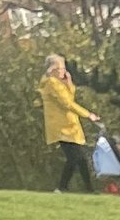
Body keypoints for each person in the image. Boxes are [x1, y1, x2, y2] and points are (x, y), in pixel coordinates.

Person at [40, 56, 95, 193]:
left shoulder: (59, 84)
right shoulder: (51, 83)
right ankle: (61, 187)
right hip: (61, 128)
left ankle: (89, 189)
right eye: (59, 68)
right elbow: (67, 103)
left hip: (70, 126)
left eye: (64, 68)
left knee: (81, 158)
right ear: (51, 69)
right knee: (74, 158)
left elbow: (70, 97)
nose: (62, 71)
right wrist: (88, 114)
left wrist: (69, 84)